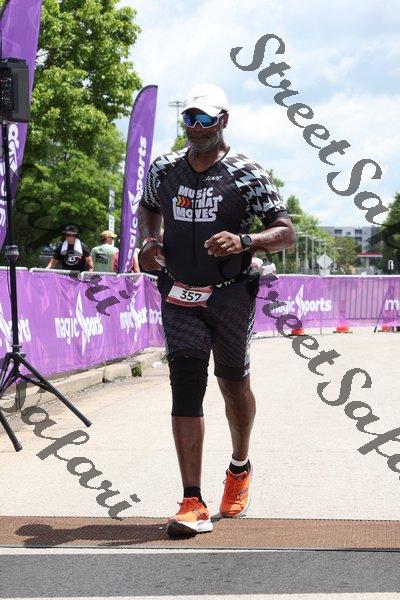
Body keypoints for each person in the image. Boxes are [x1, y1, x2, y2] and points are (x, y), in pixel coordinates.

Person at [138, 82, 295, 538]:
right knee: (186, 387)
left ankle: (239, 466)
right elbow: (148, 207)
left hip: (230, 295)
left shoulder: (246, 172)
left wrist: (246, 240)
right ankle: (192, 501)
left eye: (205, 118)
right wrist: (149, 242)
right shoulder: (164, 168)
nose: (195, 126)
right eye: (189, 117)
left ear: (223, 120)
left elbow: (285, 232)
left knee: (233, 384)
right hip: (179, 294)